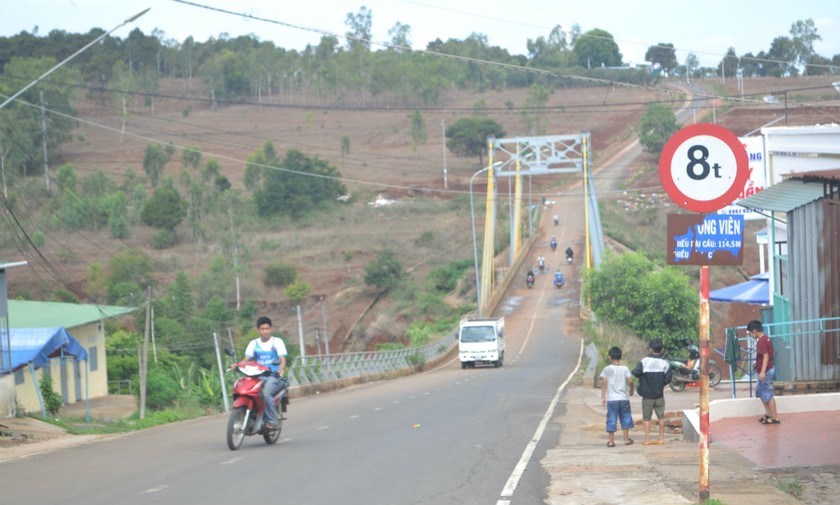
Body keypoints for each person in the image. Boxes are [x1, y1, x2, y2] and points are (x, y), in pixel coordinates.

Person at [238, 316, 288, 427]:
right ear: (258, 330)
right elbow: (246, 359)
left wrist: (280, 370)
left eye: (267, 328)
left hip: (273, 376)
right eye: (262, 329)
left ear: (271, 329)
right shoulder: (253, 343)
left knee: (266, 393)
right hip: (257, 375)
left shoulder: (277, 342)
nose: (265, 331)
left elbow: (282, 359)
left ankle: (272, 421)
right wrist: (237, 365)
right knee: (246, 390)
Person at [632, 338, 671, 445]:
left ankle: (647, 439)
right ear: (662, 350)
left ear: (650, 349)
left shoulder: (644, 362)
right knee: (661, 417)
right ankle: (661, 439)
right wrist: (660, 385)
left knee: (646, 418)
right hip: (659, 395)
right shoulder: (665, 363)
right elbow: (668, 379)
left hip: (647, 396)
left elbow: (636, 372)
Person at [600, 346, 635, 447]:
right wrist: (631, 390)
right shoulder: (625, 368)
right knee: (625, 417)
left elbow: (604, 383)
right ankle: (626, 440)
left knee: (612, 418)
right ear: (620, 357)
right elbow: (631, 381)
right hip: (623, 398)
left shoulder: (607, 369)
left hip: (612, 399)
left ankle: (611, 441)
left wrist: (603, 397)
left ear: (610, 357)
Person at [749, 320, 779, 424]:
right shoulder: (767, 339)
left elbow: (766, 356)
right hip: (767, 370)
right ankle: (769, 414)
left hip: (766, 371)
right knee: (760, 392)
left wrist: (762, 372)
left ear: (754, 331)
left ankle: (775, 417)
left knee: (768, 394)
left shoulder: (761, 341)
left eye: (750, 333)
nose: (750, 335)